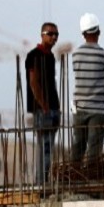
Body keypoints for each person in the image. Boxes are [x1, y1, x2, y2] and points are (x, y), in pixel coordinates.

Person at [70, 13, 104, 165]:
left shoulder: (76, 55)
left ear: (83, 34)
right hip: (98, 109)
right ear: (99, 32)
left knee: (78, 147)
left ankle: (75, 175)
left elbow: (81, 76)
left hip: (79, 108)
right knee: (94, 152)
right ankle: (90, 175)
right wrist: (99, 82)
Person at [25, 21, 61, 184]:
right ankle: (41, 183)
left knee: (49, 147)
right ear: (42, 35)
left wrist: (55, 107)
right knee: (44, 147)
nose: (54, 37)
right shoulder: (34, 55)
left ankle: (43, 181)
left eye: (56, 34)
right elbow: (33, 83)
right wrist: (44, 106)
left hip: (53, 108)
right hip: (42, 110)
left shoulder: (51, 57)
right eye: (50, 34)